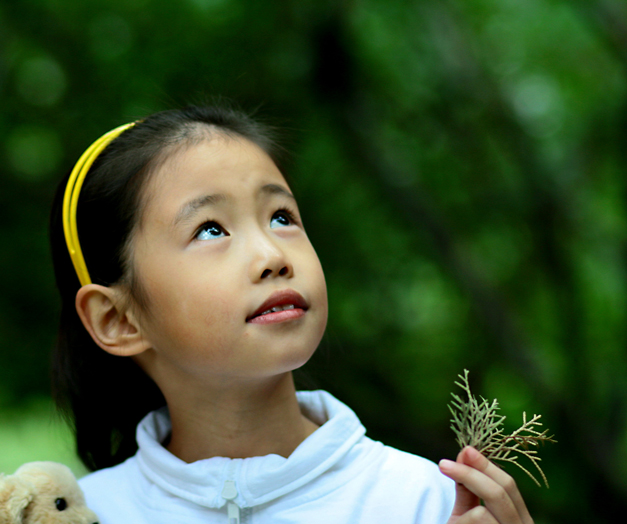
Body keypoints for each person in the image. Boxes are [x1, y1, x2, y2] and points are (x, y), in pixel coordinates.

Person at [49, 104, 534, 523]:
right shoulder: (79, 515)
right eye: (211, 230)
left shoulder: (429, 502)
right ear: (119, 320)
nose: (271, 256)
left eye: (281, 218)